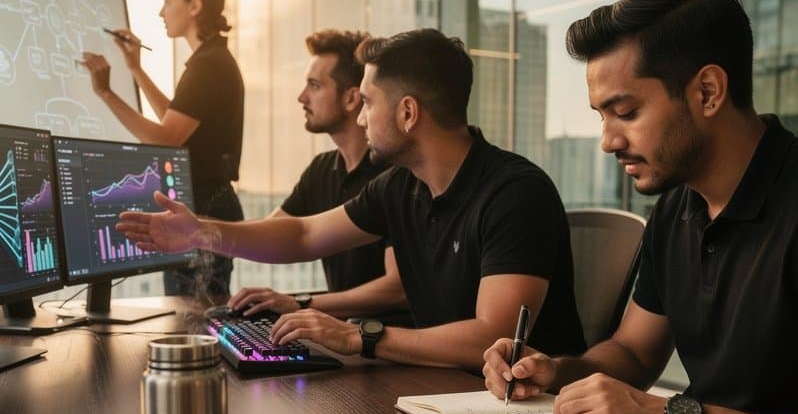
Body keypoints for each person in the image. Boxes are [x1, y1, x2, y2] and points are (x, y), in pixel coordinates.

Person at [483, 0, 798, 414]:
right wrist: (559, 372)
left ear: (708, 92)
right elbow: (635, 355)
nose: (608, 141)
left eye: (626, 111)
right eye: (601, 116)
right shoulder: (676, 209)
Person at [117, 28, 585, 371]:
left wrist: (358, 336)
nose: (360, 119)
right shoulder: (402, 186)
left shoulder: (515, 193)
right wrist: (200, 231)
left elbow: (493, 336)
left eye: (366, 103)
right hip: (443, 394)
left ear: (407, 113)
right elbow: (302, 234)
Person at [81, 0, 243, 298]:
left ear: (194, 6)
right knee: (199, 314)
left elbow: (166, 138)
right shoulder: (212, 60)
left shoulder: (207, 65)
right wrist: (135, 68)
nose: (161, 12)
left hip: (204, 207)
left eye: (168, 1)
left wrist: (106, 93)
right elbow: (177, 118)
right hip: (211, 203)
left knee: (195, 320)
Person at [227, 28, 407, 320]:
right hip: (341, 335)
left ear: (351, 98)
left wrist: (302, 304)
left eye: (314, 86)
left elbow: (396, 289)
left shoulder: (396, 175)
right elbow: (276, 233)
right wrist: (199, 233)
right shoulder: (322, 169)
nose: (301, 97)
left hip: (387, 346)